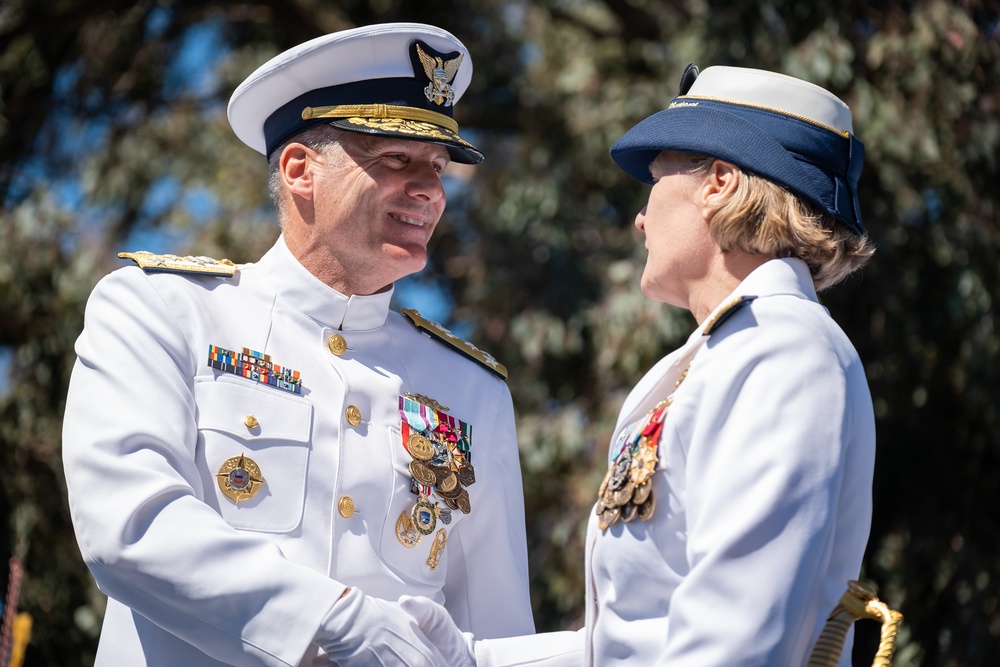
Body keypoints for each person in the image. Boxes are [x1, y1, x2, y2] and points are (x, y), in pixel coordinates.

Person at [61, 23, 535, 666]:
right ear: (300, 169)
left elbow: (495, 634)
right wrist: (331, 620)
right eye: (396, 159)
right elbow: (132, 526)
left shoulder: (472, 389)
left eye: (437, 167)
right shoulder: (163, 311)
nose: (429, 190)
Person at [407, 63, 876, 666]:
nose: (640, 218)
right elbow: (643, 637)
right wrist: (468, 659)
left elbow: (735, 643)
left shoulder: (784, 352)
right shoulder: (732, 353)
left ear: (721, 183)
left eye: (655, 182)